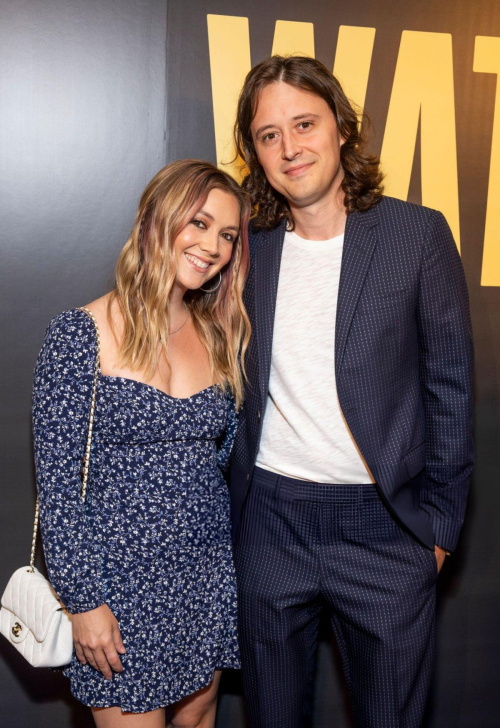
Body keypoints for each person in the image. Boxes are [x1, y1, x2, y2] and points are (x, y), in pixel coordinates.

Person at [229, 56, 474, 728]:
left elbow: (450, 389)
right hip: (271, 523)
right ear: (254, 152)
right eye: (268, 135)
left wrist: (440, 529)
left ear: (340, 127)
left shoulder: (415, 236)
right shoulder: (246, 246)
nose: (289, 147)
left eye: (303, 124)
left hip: (386, 529)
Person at [32, 159, 250, 728]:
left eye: (227, 235)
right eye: (199, 223)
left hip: (203, 575)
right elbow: (57, 488)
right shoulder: (80, 333)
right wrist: (83, 600)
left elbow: (217, 462)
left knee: (201, 719)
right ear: (156, 219)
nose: (213, 246)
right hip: (118, 587)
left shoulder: (217, 333)